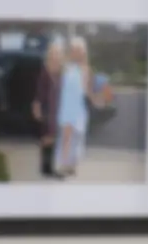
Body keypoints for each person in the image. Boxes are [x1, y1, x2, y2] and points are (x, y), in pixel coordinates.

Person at [54, 35, 92, 179]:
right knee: (66, 137)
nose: (77, 52)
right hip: (66, 107)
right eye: (75, 49)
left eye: (80, 50)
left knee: (77, 138)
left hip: (78, 108)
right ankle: (63, 164)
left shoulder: (85, 69)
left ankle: (72, 164)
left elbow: (84, 90)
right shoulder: (66, 67)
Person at [30, 38, 65, 179]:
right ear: (50, 54)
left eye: (58, 53)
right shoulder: (45, 70)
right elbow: (39, 91)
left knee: (53, 137)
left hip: (57, 108)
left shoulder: (61, 71)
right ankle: (47, 168)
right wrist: (36, 107)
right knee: (47, 137)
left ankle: (47, 168)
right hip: (47, 108)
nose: (56, 55)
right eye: (53, 52)